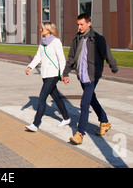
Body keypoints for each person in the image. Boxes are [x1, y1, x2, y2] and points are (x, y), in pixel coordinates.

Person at [62, 13, 118, 145]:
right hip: (81, 75)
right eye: (78, 24)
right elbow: (71, 57)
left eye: (82, 24)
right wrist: (66, 73)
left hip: (92, 75)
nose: (79, 27)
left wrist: (113, 66)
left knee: (84, 103)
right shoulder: (77, 38)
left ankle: (79, 133)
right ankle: (104, 122)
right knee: (92, 99)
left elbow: (107, 54)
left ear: (89, 23)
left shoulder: (97, 38)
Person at [25, 22, 70, 132]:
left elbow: (61, 58)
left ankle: (35, 124)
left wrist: (63, 73)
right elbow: (38, 56)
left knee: (42, 97)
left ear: (49, 30)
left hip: (53, 74)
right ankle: (66, 117)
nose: (41, 30)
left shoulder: (56, 42)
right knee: (56, 97)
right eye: (41, 28)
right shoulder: (42, 42)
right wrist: (30, 67)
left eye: (43, 28)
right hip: (45, 74)